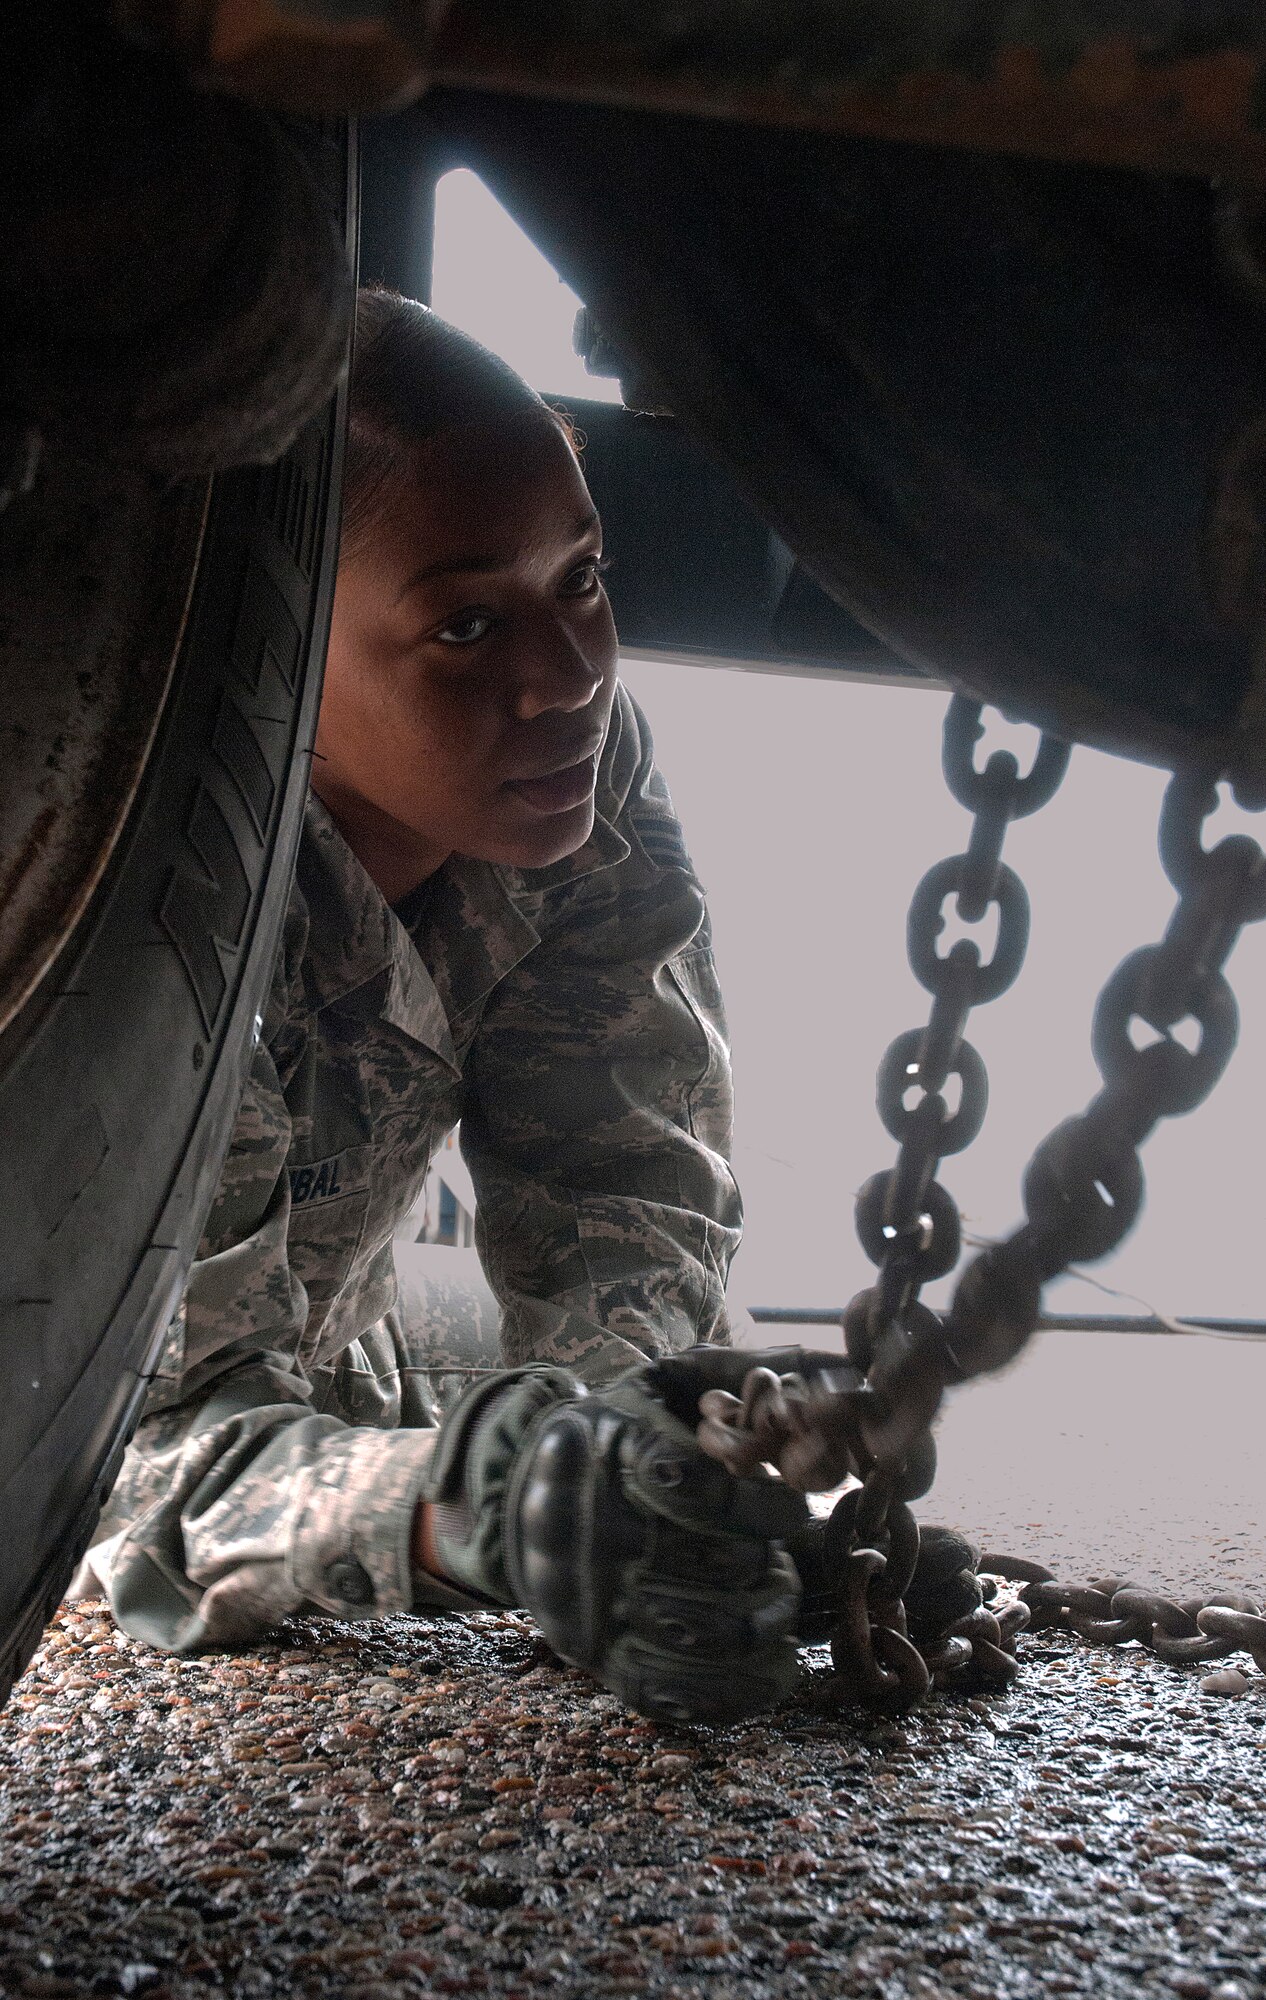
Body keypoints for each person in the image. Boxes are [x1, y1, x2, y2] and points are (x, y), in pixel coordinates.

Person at [70, 287, 828, 1726]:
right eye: (467, 625)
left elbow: (621, 1186)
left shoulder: (577, 775)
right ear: (277, 657)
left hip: (338, 1354)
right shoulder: (162, 893)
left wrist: (644, 1467)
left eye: (583, 580)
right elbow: (138, 1471)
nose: (568, 678)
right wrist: (492, 1508)